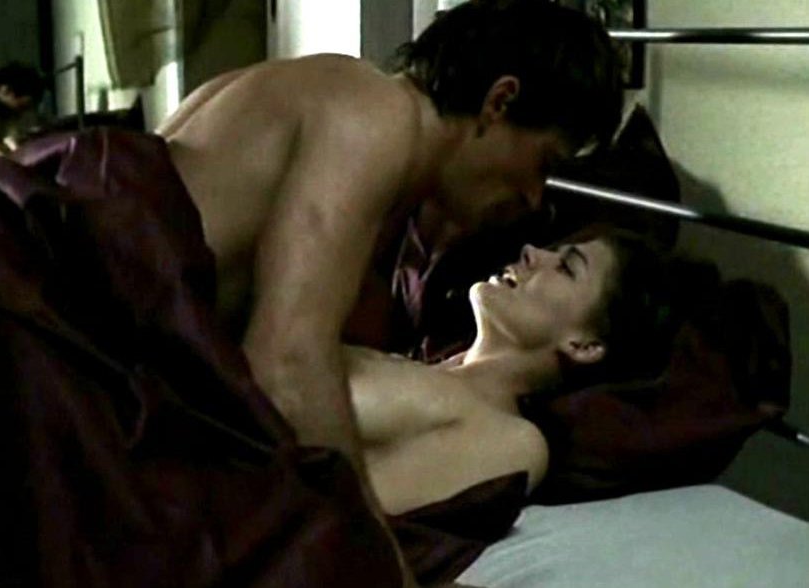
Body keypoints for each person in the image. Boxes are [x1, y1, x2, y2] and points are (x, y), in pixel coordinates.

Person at [156, 0, 622, 583]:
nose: (534, 197)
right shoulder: (376, 118)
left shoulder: (312, 86)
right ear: (499, 102)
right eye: (544, 162)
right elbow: (285, 364)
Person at [347, 230, 673, 515]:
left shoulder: (513, 443)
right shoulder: (409, 365)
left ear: (583, 346)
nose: (531, 250)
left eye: (566, 268)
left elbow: (348, 522)